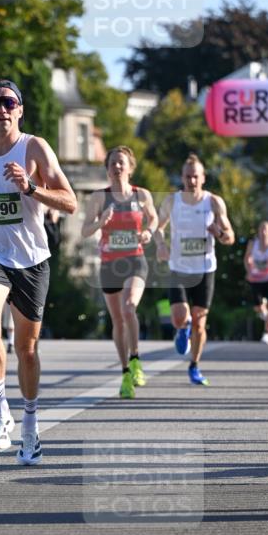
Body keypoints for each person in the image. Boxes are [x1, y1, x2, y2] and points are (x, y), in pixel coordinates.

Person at [0, 78, 77, 465]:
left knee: (27, 350)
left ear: (20, 110)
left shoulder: (34, 148)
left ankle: (30, 424)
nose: (2, 109)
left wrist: (31, 189)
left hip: (32, 258)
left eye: (9, 103)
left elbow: (70, 202)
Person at [81, 146, 158, 399]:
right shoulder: (99, 198)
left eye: (121, 163)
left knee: (128, 308)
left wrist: (148, 231)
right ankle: (125, 372)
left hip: (134, 261)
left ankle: (135, 359)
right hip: (109, 265)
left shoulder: (142, 195)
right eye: (112, 163)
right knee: (117, 320)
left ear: (130, 167)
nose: (116, 167)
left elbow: (154, 219)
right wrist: (101, 221)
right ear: (107, 168)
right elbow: (85, 231)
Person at [155, 154, 235, 385]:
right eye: (187, 177)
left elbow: (230, 237)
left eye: (195, 177)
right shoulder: (172, 201)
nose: (191, 181)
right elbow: (157, 227)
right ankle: (183, 328)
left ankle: (194, 365)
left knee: (200, 322)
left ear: (203, 178)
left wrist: (218, 232)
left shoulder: (214, 202)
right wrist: (161, 245)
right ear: (182, 177)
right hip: (179, 267)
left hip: (204, 268)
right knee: (180, 317)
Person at [244, 220, 268, 344]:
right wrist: (249, 270)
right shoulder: (253, 244)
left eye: (266, 230)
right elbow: (247, 259)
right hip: (256, 278)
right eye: (261, 229)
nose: (263, 232)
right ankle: (263, 312)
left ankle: (267, 333)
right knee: (258, 307)